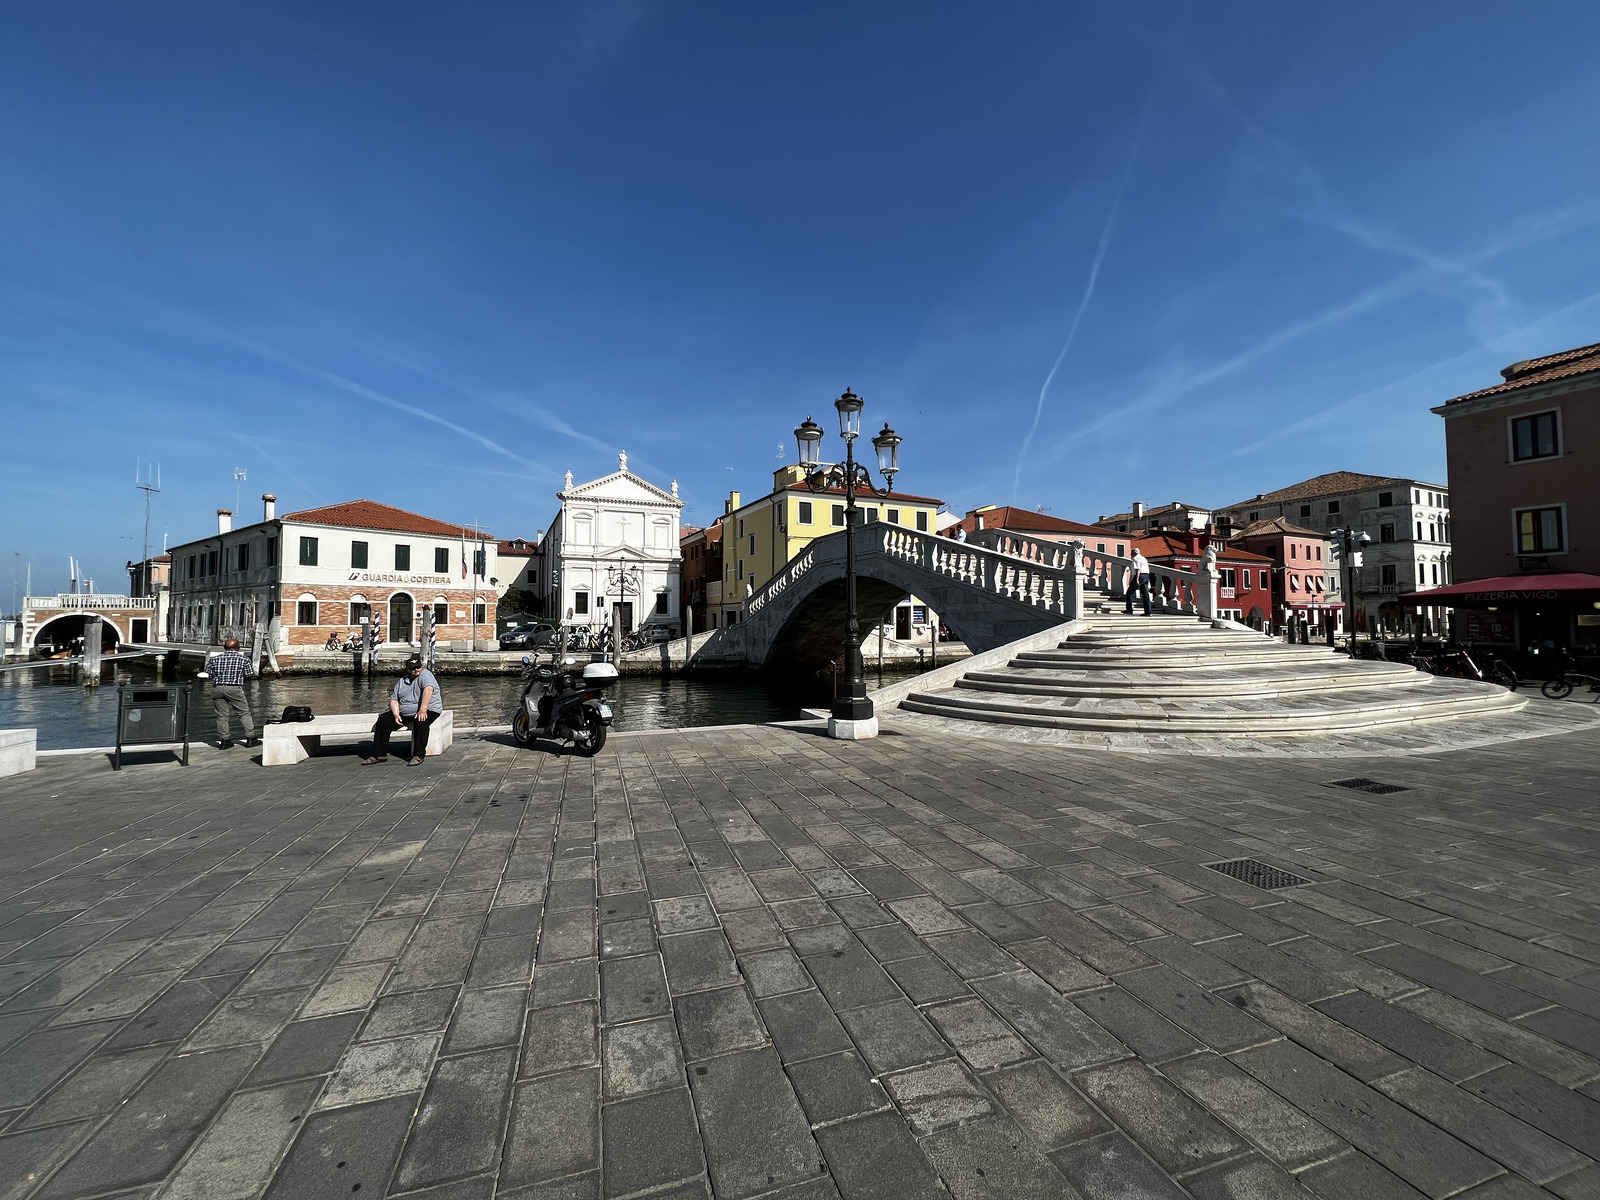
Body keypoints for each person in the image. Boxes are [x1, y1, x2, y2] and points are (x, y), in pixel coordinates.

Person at [366, 654, 442, 766]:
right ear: (407, 669)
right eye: (413, 668)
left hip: (428, 709)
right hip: (405, 712)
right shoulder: (402, 681)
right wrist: (396, 714)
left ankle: (419, 755)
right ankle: (379, 754)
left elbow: (428, 690)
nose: (416, 670)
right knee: (383, 720)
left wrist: (422, 710)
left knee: (421, 721)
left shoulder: (426, 674)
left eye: (418, 667)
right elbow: (394, 699)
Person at [207, 637, 257, 749]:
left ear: (224, 648)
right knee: (243, 713)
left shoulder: (214, 659)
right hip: (234, 688)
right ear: (238, 648)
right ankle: (251, 738)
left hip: (218, 688)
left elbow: (208, 673)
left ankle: (225, 740)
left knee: (221, 716)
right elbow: (249, 674)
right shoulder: (244, 659)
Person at [1125, 548, 1152, 616]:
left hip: (1140, 576)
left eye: (1131, 553)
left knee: (1129, 593)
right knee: (1145, 595)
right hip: (1146, 576)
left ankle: (1129, 610)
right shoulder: (1144, 558)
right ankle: (1148, 611)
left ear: (1134, 553)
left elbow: (1138, 569)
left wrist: (1137, 579)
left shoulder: (1135, 558)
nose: (1131, 555)